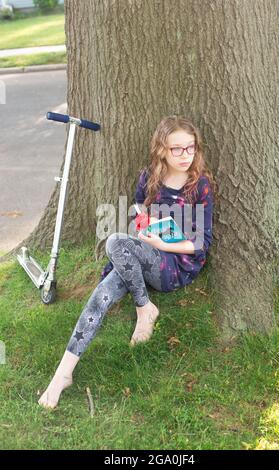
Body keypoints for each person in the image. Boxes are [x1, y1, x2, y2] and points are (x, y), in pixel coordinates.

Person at [38, 115, 215, 409]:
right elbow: (136, 209)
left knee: (115, 241)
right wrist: (145, 224)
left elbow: (201, 242)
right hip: (142, 255)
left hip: (176, 266)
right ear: (162, 150)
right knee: (103, 293)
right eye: (177, 149)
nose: (185, 155)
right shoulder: (149, 178)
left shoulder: (200, 185)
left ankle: (144, 308)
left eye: (190, 148)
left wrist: (161, 242)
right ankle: (62, 374)